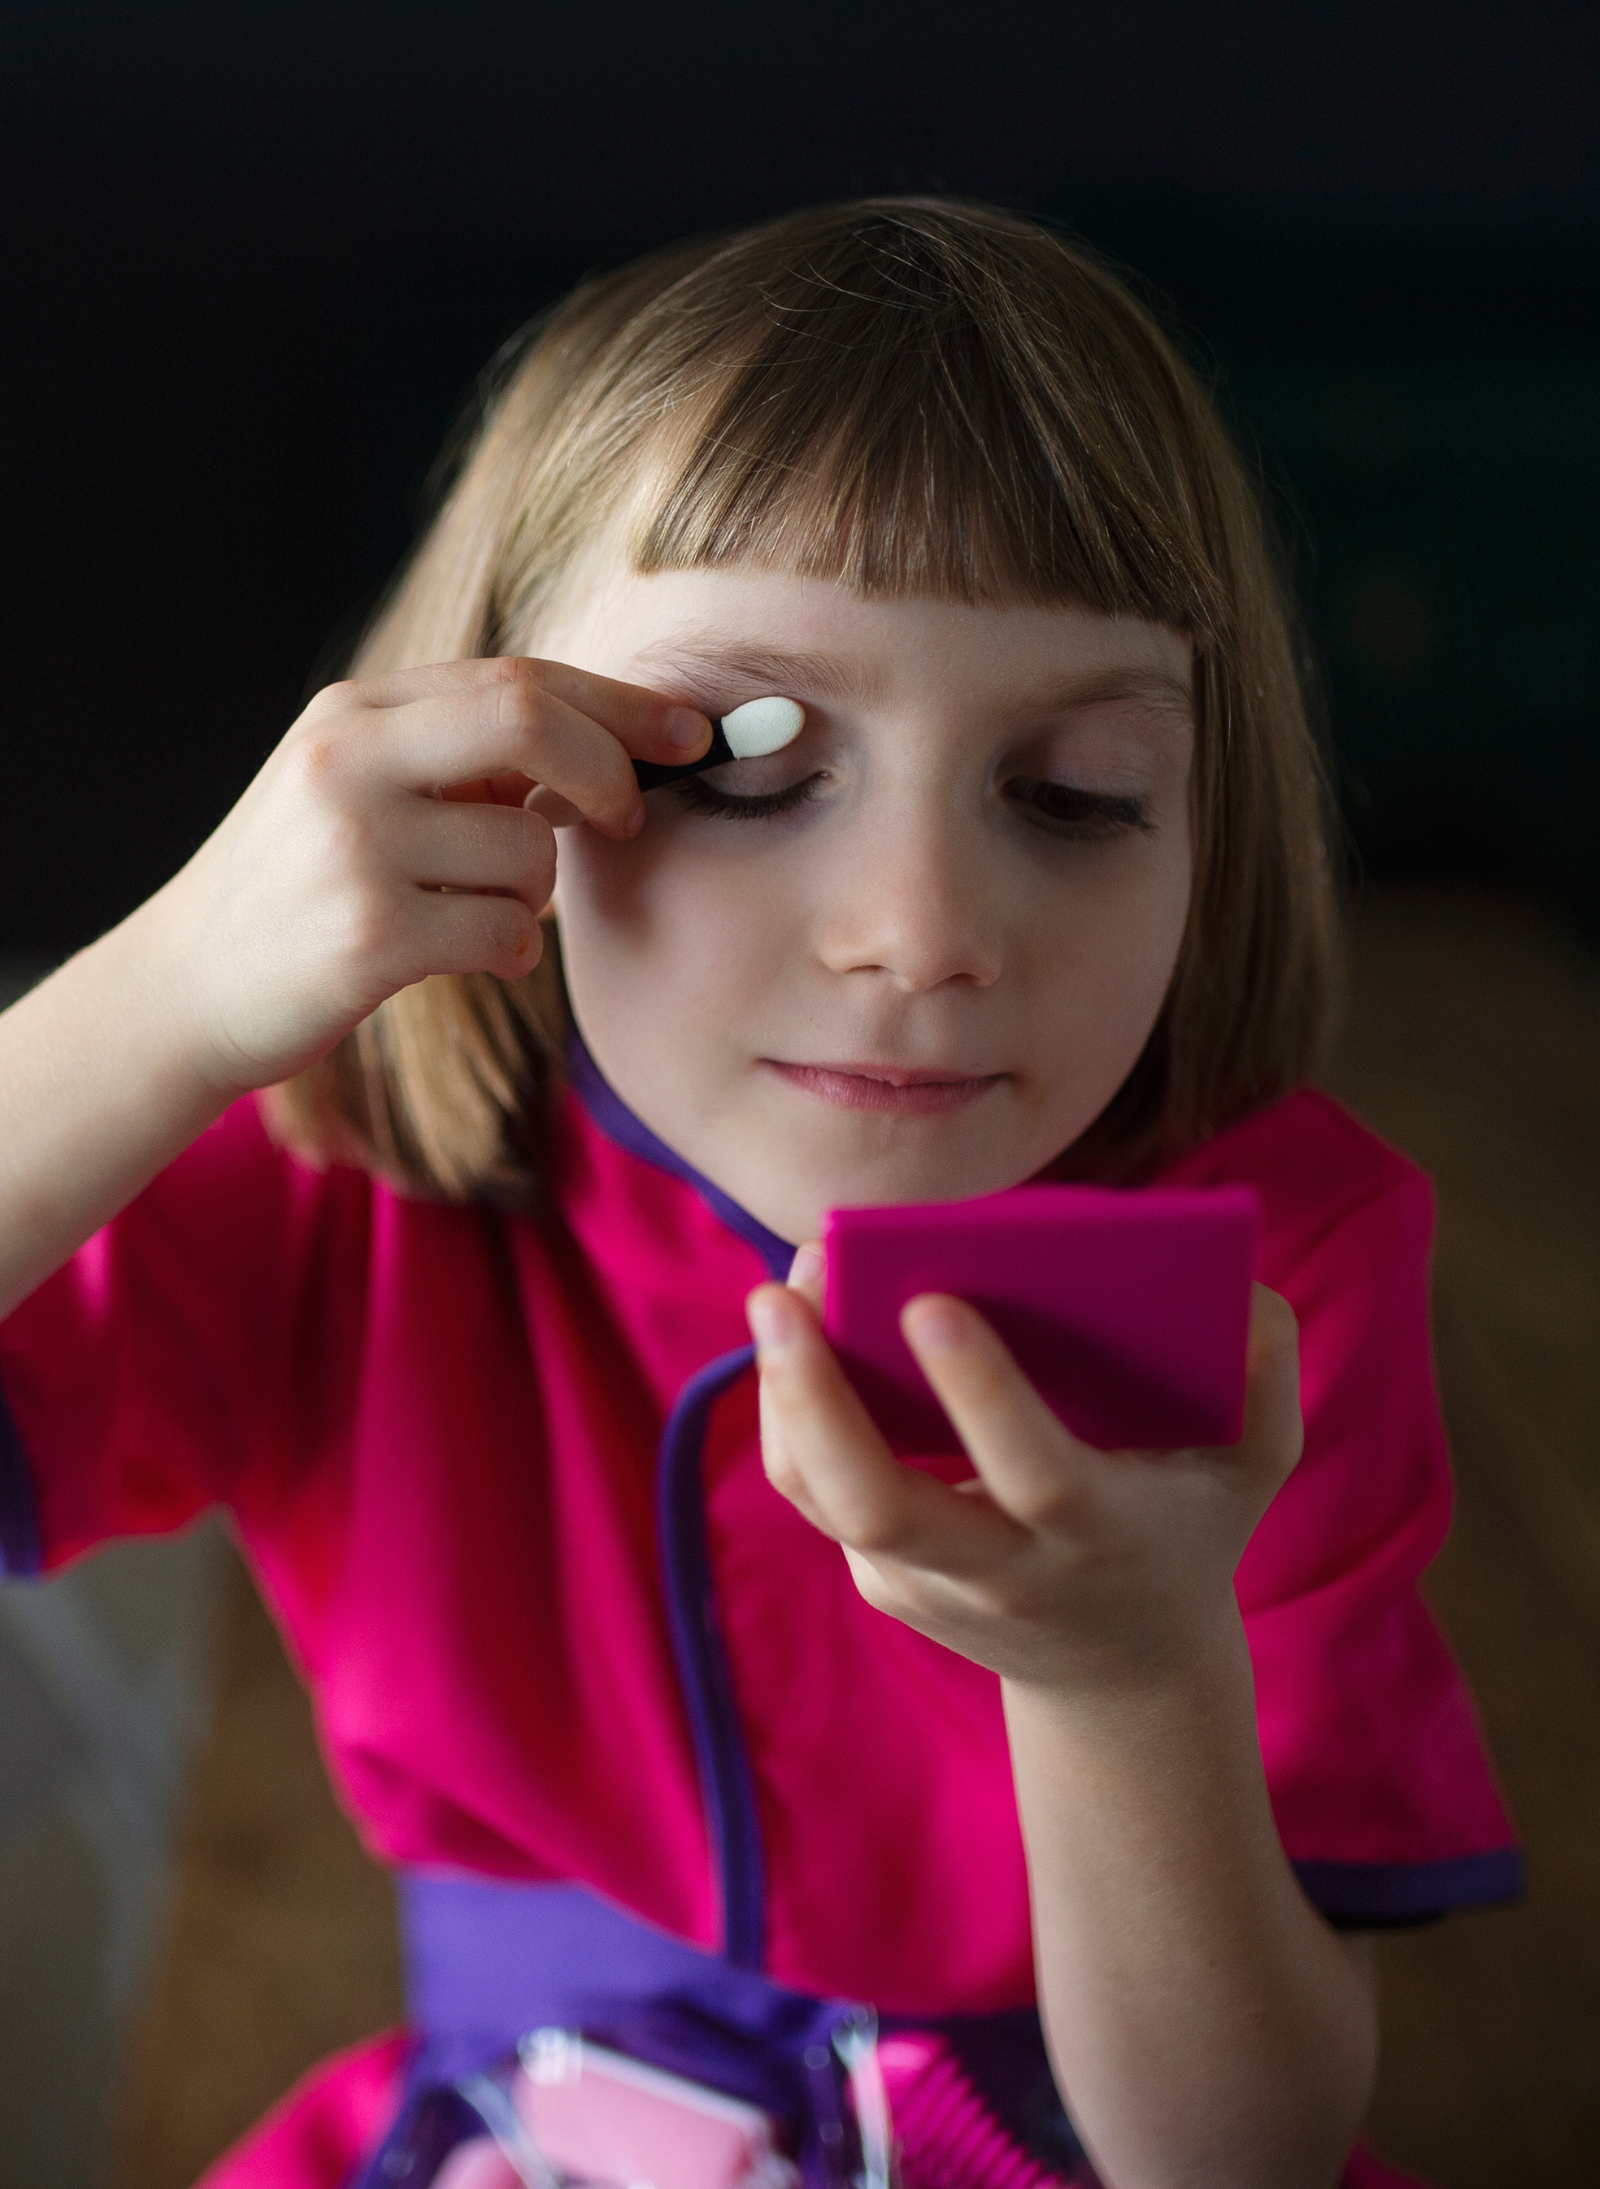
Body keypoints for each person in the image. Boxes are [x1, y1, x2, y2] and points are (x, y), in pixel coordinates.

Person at [0, 201, 1518, 2189]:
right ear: (487, 769)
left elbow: (1236, 2154)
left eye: (1067, 793)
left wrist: (1119, 1675)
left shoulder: (1278, 1271)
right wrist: (168, 988)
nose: (918, 927)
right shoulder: (335, 1176)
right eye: (741, 760)